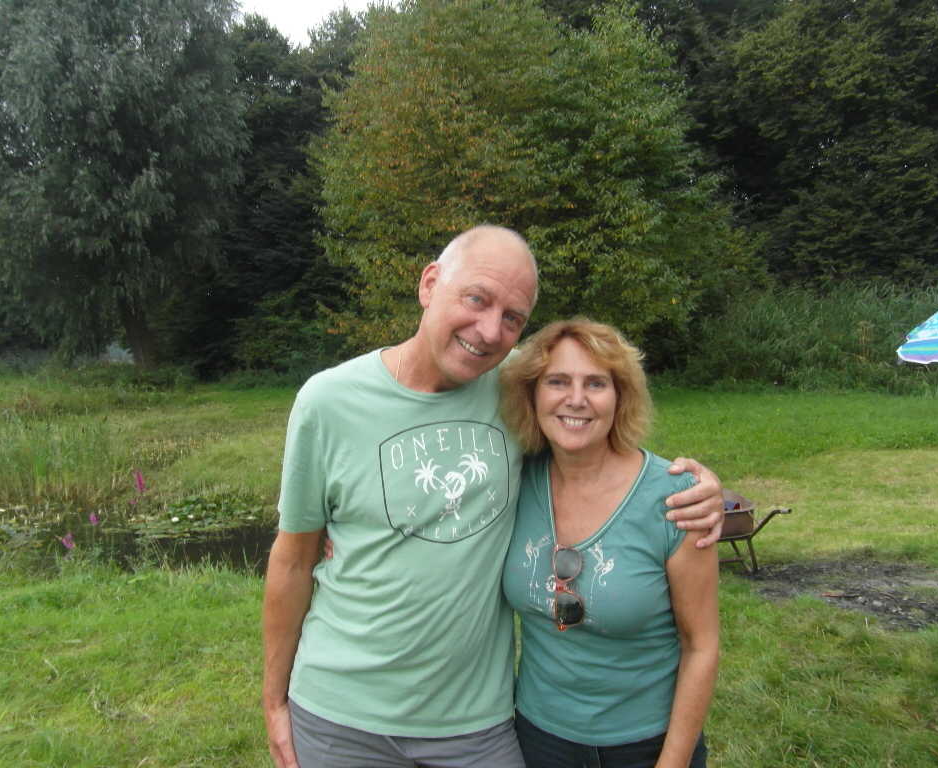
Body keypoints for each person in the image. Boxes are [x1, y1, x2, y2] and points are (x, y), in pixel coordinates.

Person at [262, 226, 724, 768]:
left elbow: (590, 425)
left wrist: (699, 488)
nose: (488, 332)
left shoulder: (515, 385)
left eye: (513, 318)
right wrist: (274, 700)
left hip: (475, 724)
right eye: (477, 299)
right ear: (429, 283)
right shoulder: (327, 401)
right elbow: (293, 560)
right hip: (339, 713)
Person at [500, 319, 720, 768]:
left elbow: (700, 647)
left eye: (596, 383)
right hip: (537, 739)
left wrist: (672, 763)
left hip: (645, 746)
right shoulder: (513, 480)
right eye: (557, 381)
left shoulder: (676, 501)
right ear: (532, 394)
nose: (576, 399)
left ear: (621, 397)